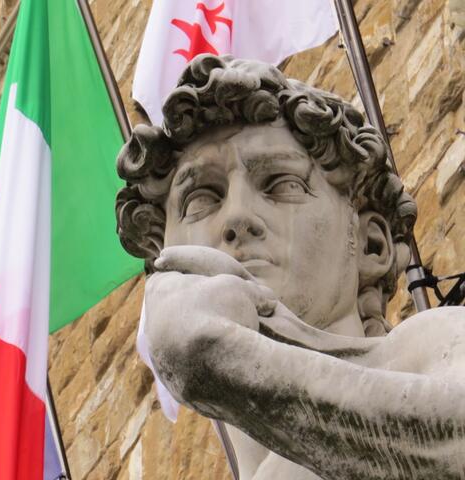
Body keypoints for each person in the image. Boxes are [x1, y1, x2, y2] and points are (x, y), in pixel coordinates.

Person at [115, 55, 465, 479]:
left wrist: (236, 365)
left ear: (370, 244)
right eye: (202, 198)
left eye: (282, 184)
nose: (237, 217)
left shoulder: (432, 346)